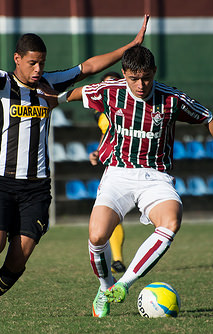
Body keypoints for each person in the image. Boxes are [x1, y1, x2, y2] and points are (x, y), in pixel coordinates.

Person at [0, 8, 149, 320]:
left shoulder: (49, 83)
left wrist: (130, 47)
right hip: (1, 181)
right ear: (17, 59)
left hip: (36, 188)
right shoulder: (0, 84)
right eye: (32, 62)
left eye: (41, 63)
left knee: (18, 260)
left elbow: (87, 68)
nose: (37, 69)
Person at [59, 45, 213, 318]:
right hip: (118, 172)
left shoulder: (172, 99)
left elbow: (208, 117)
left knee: (171, 222)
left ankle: (123, 283)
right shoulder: (109, 91)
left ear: (154, 73)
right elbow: (72, 94)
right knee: (96, 236)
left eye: (146, 78)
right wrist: (47, 100)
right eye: (134, 78)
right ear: (124, 74)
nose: (140, 85)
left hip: (156, 176)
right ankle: (105, 289)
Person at [89, 71, 127, 274]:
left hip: (137, 164)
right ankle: (117, 260)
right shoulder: (100, 111)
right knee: (111, 213)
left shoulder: (130, 106)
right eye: (104, 85)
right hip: (114, 166)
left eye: (113, 84)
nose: (108, 89)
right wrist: (98, 151)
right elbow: (108, 134)